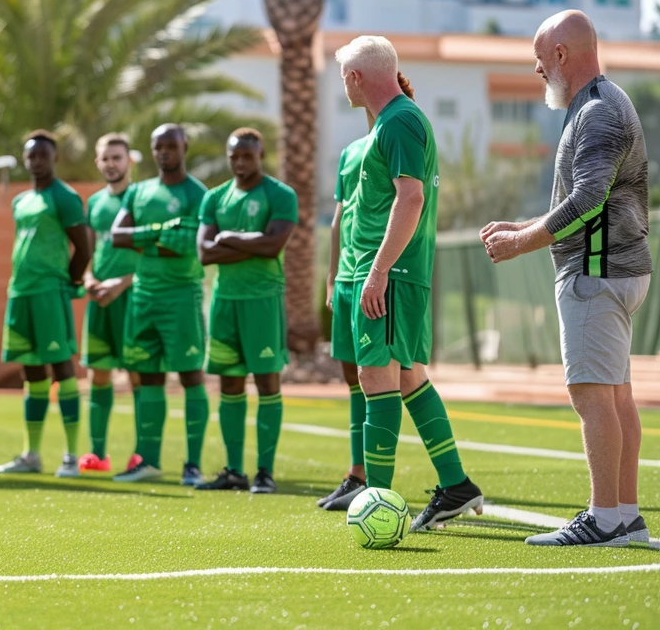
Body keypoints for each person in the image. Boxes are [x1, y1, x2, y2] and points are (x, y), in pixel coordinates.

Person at [482, 10, 652, 547]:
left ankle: (604, 518)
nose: (536, 69)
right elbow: (581, 199)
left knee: (591, 396)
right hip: (612, 270)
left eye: (539, 58)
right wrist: (526, 225)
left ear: (561, 54)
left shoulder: (597, 111)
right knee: (616, 396)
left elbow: (587, 200)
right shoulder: (597, 104)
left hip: (596, 275)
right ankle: (625, 515)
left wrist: (520, 243)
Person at [333, 36, 483, 529]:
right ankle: (456, 484)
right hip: (386, 272)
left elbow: (410, 200)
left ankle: (376, 500)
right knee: (406, 376)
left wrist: (376, 273)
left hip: (391, 273)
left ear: (357, 77)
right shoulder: (394, 122)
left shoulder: (399, 121)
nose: (342, 84)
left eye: (343, 75)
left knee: (376, 377)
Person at [319, 71, 415, 512]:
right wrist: (330, 276)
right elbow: (339, 220)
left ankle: (366, 479)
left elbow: (407, 200)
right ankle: (356, 475)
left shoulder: (397, 133)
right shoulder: (350, 152)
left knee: (377, 376)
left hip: (373, 274)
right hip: (345, 278)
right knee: (353, 378)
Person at [195, 128, 298, 494]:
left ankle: (264, 473)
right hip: (224, 302)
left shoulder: (280, 195)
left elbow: (273, 246)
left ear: (261, 155)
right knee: (229, 384)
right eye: (233, 156)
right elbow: (204, 253)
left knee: (267, 382)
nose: (240, 162)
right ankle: (234, 471)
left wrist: (228, 238)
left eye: (247, 156)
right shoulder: (214, 198)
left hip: (263, 301)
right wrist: (252, 242)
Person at [109, 123, 209, 485]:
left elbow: (185, 244)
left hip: (181, 295)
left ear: (185, 147)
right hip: (143, 295)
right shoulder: (137, 192)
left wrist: (147, 237)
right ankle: (147, 460)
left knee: (190, 376)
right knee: (147, 378)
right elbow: (117, 237)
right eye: (157, 147)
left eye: (171, 146)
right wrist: (162, 231)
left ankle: (193, 465)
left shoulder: (198, 194)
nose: (164, 152)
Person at [0, 131, 92, 479]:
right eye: (31, 155)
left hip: (50, 292)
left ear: (55, 158)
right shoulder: (21, 201)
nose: (36, 161)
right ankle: (31, 455)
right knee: (32, 373)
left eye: (43, 156)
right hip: (20, 294)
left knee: (61, 369)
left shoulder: (65, 197)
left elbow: (84, 247)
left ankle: (70, 456)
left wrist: (71, 282)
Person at [79, 133, 141, 472]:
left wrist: (123, 282)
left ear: (129, 160)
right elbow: (89, 251)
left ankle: (140, 453)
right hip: (99, 300)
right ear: (98, 163)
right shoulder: (95, 203)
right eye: (105, 158)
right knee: (97, 375)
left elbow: (150, 254)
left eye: (117, 157)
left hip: (132, 299)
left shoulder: (142, 198)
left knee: (138, 377)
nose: (111, 164)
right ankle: (97, 454)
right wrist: (88, 278)